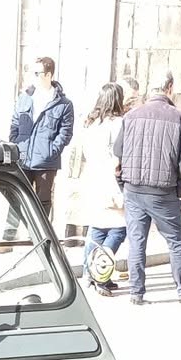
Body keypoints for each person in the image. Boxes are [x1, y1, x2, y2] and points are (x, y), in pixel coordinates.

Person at [115, 68, 181, 306]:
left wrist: (124, 186)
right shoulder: (180, 118)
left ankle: (136, 292)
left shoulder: (131, 116)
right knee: (176, 240)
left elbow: (118, 156)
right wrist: (180, 191)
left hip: (134, 189)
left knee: (136, 241)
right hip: (164, 192)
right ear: (170, 88)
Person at [59, 82, 127, 295]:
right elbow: (119, 155)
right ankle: (100, 272)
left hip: (92, 180)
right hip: (111, 181)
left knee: (97, 229)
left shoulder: (91, 123)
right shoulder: (119, 124)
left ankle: (89, 273)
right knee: (119, 228)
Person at [8, 54, 73, 219]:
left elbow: (65, 133)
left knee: (43, 202)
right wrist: (16, 144)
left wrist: (51, 151)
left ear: (49, 75)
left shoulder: (63, 104)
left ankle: (39, 234)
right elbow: (15, 123)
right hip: (22, 158)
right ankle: (9, 234)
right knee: (16, 199)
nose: (33, 76)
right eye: (32, 72)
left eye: (37, 73)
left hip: (46, 162)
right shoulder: (25, 98)